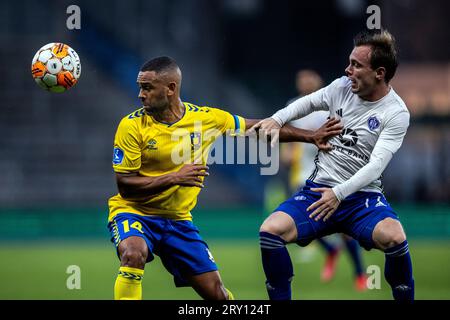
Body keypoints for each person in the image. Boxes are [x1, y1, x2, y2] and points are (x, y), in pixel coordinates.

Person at [107, 56, 342, 300]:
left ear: (171, 89)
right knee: (134, 254)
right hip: (135, 213)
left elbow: (260, 129)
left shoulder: (206, 119)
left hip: (178, 221)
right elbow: (126, 186)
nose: (140, 95)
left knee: (218, 295)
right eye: (140, 87)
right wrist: (175, 177)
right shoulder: (131, 126)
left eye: (147, 87)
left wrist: (309, 136)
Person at [251, 29, 414, 300]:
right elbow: (306, 103)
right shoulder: (341, 87)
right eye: (349, 62)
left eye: (356, 65)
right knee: (270, 231)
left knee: (395, 237)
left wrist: (338, 195)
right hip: (318, 191)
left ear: (380, 73)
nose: (347, 70)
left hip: (361, 198)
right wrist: (276, 119)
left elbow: (376, 166)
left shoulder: (396, 113)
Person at [282, 70, 367, 291]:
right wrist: (288, 151)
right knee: (301, 222)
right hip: (302, 174)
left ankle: (359, 273)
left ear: (317, 82)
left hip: (329, 173)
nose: (304, 83)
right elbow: (288, 133)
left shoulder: (329, 104)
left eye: (308, 79)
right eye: (301, 79)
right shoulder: (294, 104)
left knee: (343, 226)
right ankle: (330, 250)